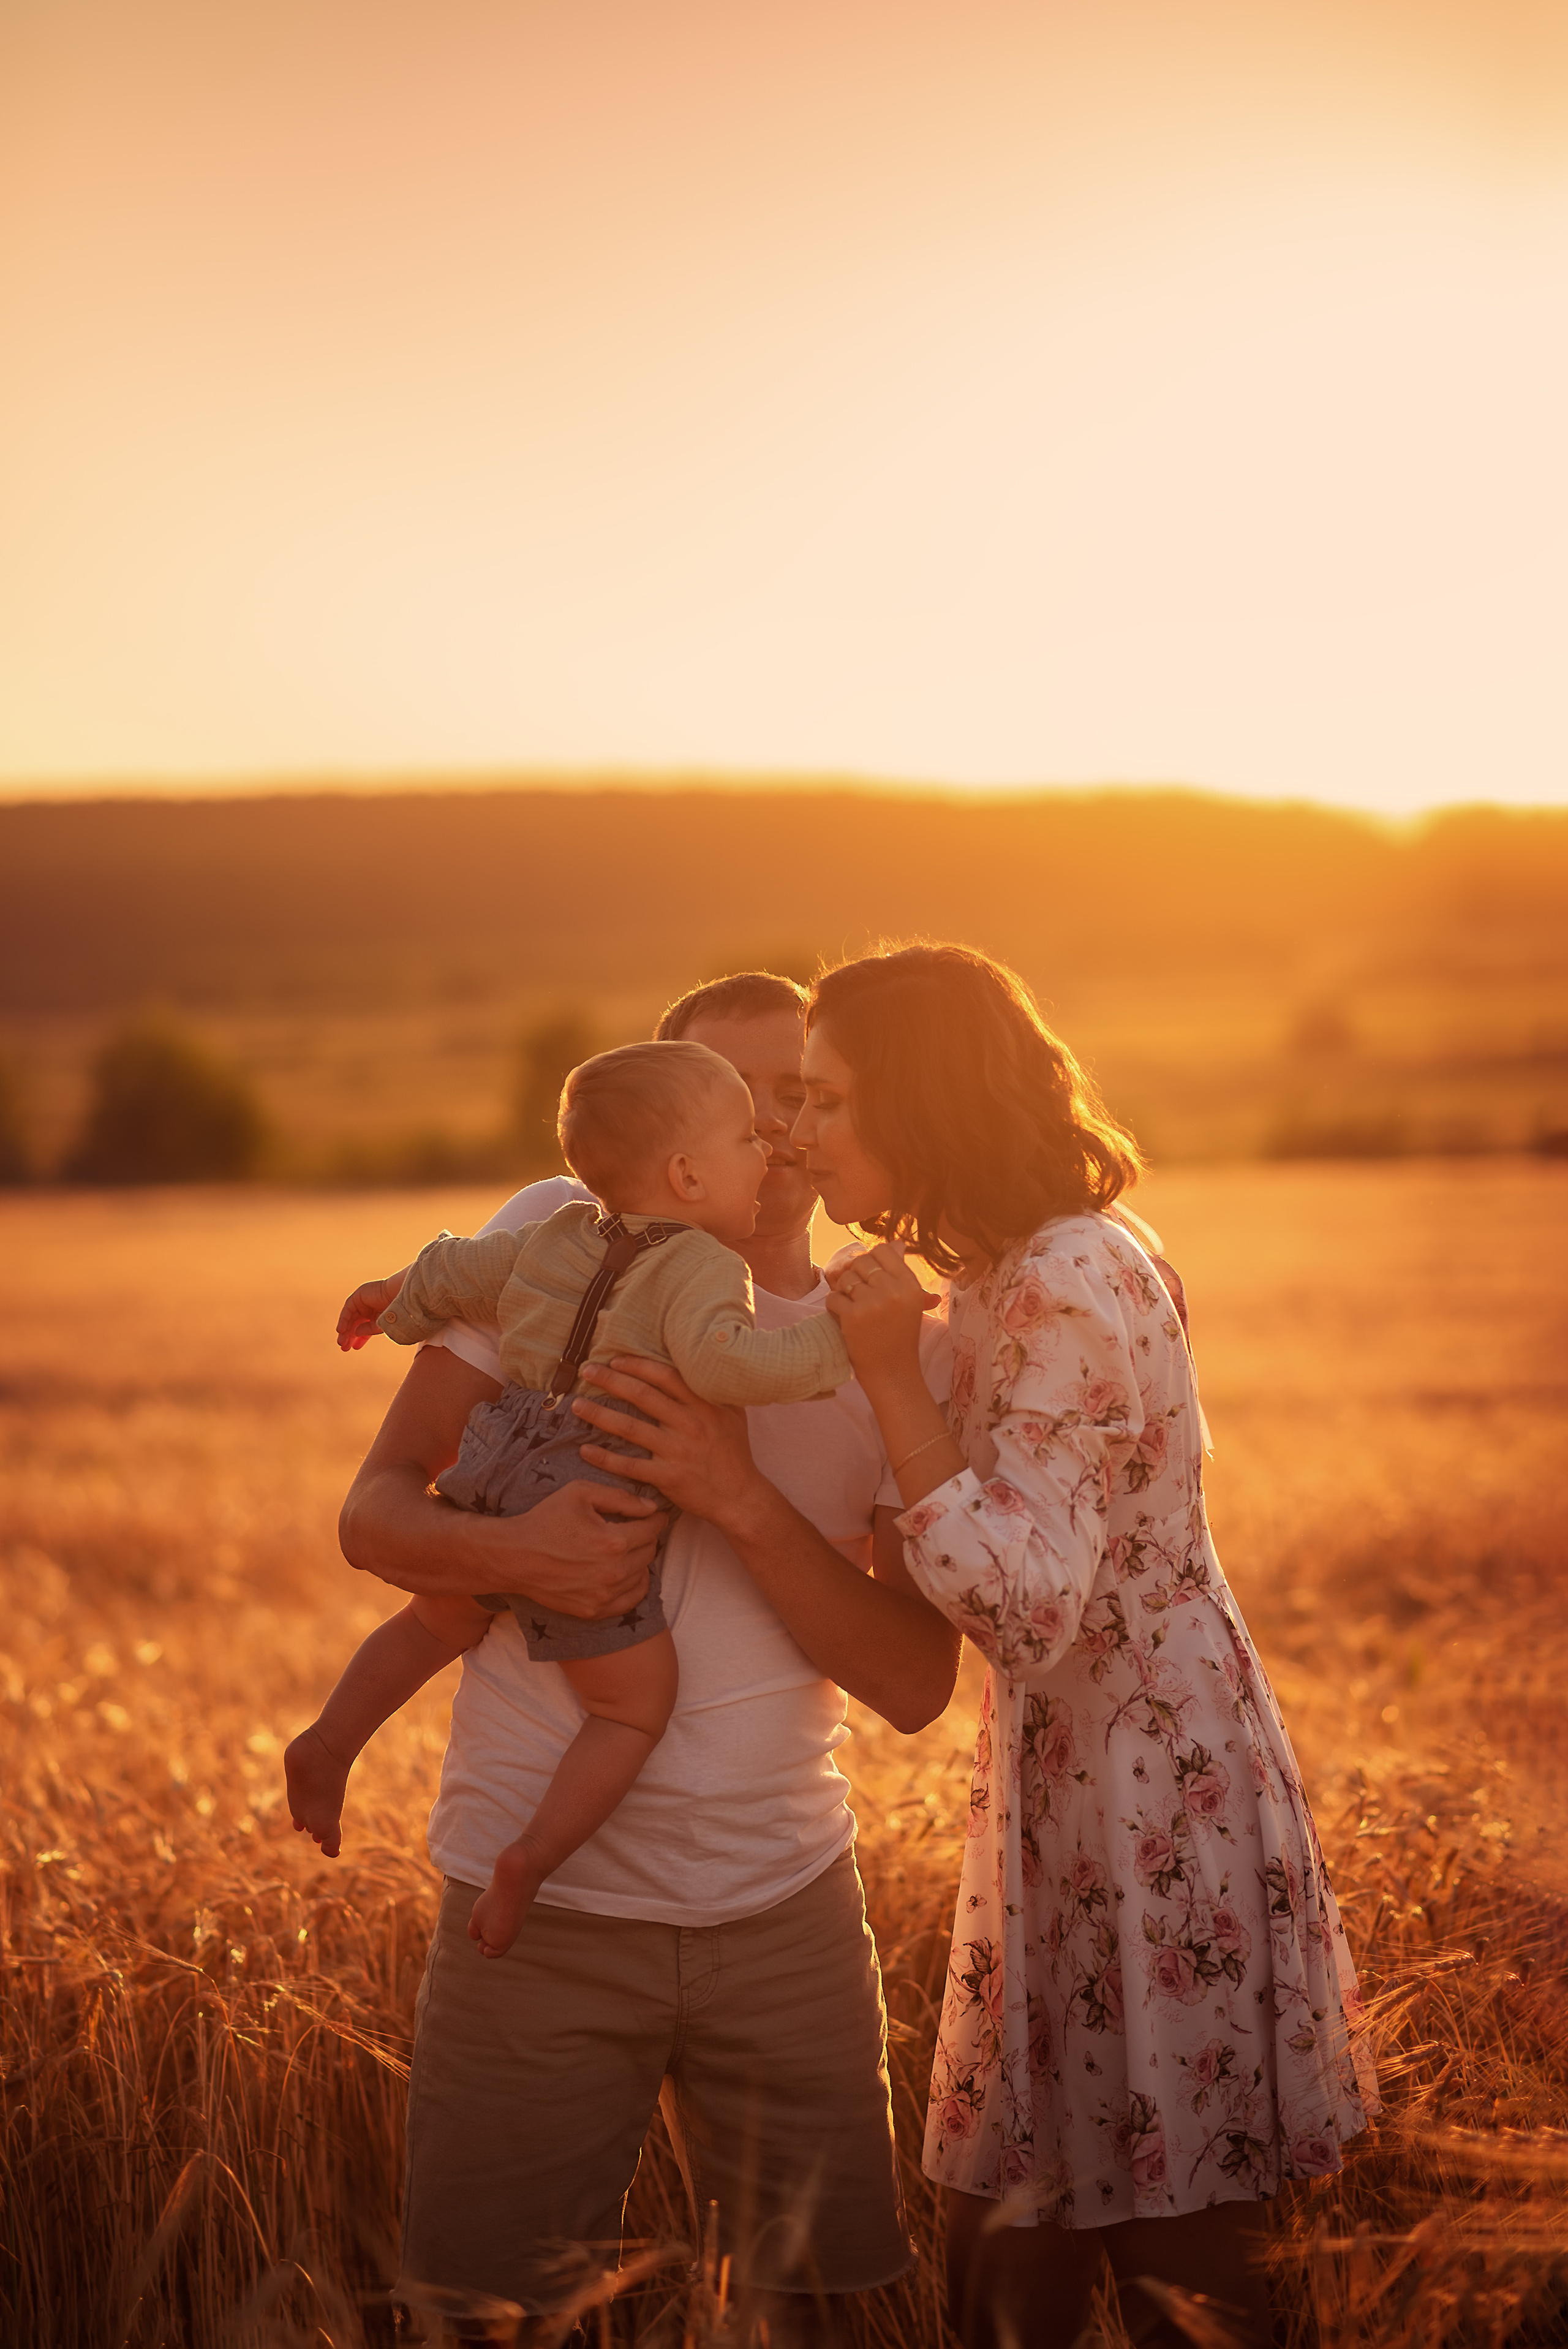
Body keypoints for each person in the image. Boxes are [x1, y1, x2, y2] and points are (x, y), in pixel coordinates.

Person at [332, 972, 961, 2331]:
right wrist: (516, 1555)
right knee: (481, 2314)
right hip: (533, 1930)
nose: (778, 1131)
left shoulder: (889, 1335)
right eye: (742, 1102)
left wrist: (733, 1492)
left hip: (785, 1914)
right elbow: (371, 1512)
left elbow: (916, 1686)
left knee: (821, 2312)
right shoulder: (559, 1239)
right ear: (674, 1144)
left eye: (798, 1095)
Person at [774, 942, 1378, 2349]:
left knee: (1180, 2244)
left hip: (1151, 1788)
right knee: (1024, 2222)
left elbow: (1031, 1608)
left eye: (826, 1100)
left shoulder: (1063, 1279)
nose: (798, 1134)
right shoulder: (1001, 1271)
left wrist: (885, 1390)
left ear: (916, 1104)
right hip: (1073, 1778)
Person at [288, 1039, 858, 1962]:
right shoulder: (707, 1266)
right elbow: (727, 1364)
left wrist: (391, 1299)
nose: (770, 1150)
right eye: (749, 1136)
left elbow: (459, 1272)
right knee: (636, 1702)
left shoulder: (561, 1234)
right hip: (594, 1478)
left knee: (438, 1622)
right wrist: (843, 1344)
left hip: (501, 1454)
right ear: (687, 1172)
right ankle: (531, 1858)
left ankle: (330, 1739)